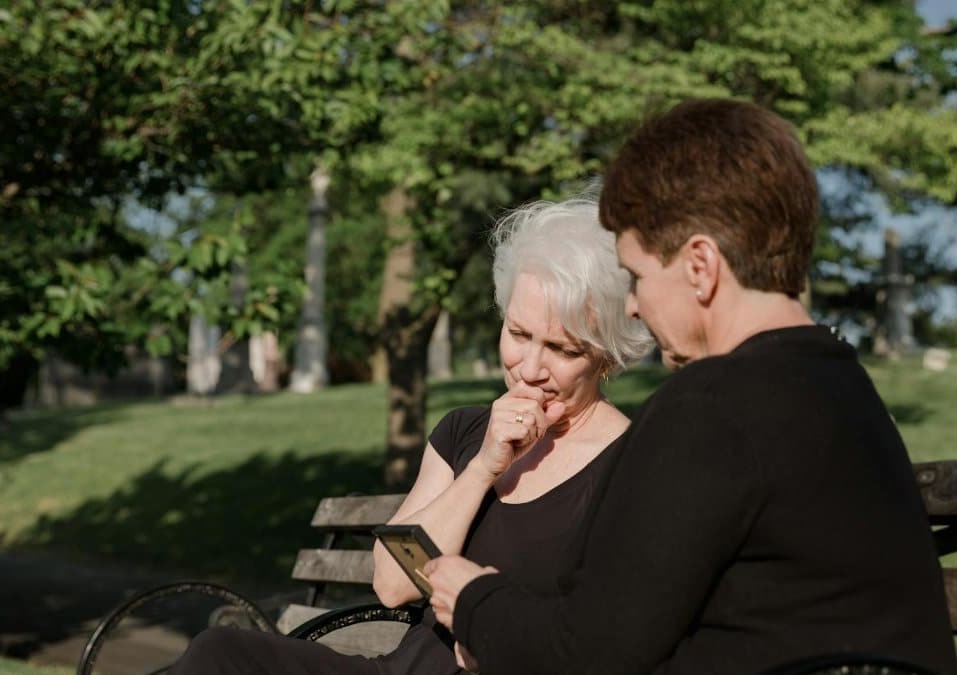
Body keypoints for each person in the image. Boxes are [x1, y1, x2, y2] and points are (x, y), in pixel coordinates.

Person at [425, 99, 957, 675]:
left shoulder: (713, 406)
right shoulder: (841, 388)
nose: (632, 304)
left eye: (637, 275)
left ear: (700, 266)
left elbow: (589, 652)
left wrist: (474, 602)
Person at [167, 197, 653, 675]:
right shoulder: (464, 433)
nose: (528, 368)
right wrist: (482, 467)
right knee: (218, 655)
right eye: (519, 333)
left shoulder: (628, 466)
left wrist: (505, 642)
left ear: (606, 357)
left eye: (560, 349)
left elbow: (616, 640)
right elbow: (393, 583)